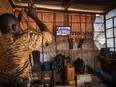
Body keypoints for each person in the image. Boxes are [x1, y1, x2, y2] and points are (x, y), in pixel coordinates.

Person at [0, 2, 53, 87]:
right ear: (14, 27)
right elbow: (48, 36)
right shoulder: (24, 40)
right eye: (18, 25)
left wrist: (17, 21)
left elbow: (13, 35)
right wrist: (34, 17)